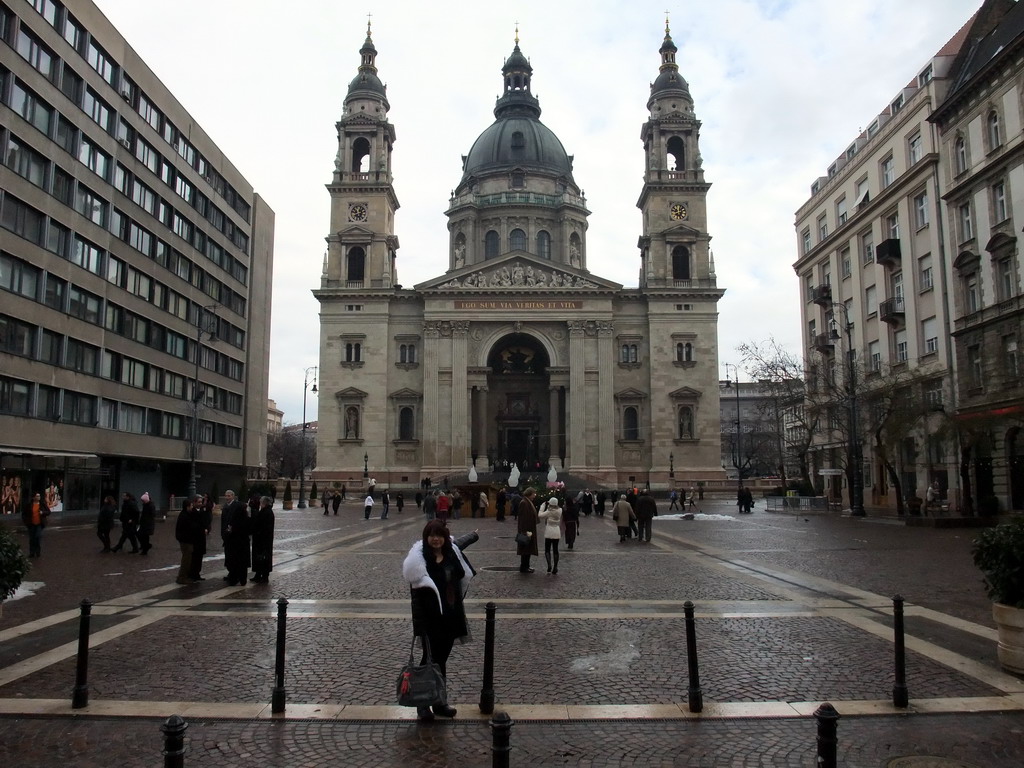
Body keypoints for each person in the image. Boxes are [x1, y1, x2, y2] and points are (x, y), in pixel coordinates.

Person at [402, 519, 479, 721]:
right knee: (428, 660)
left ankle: (439, 702)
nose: (435, 539)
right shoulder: (420, 563)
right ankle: (422, 704)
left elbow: (460, 557)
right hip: (431, 620)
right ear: (426, 538)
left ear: (444, 538)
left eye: (439, 535)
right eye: (432, 535)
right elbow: (417, 600)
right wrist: (420, 627)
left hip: (451, 617)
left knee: (441, 661)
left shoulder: (451, 554)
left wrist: (473, 535)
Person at [223, 493, 251, 586]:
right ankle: (243, 580)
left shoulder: (234, 519)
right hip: (244, 545)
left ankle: (233, 579)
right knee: (243, 565)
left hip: (234, 545)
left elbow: (229, 530)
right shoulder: (247, 519)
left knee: (234, 563)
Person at [175, 497, 204, 585]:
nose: (192, 507)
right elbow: (191, 527)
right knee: (186, 560)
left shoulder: (185, 514)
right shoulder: (185, 516)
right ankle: (182, 577)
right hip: (186, 541)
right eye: (191, 505)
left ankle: (183, 576)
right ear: (187, 506)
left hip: (186, 540)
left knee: (187, 559)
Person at [251, 495, 275, 584]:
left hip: (263, 540)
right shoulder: (266, 511)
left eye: (261, 502)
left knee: (263, 558)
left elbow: (261, 525)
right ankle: (258, 574)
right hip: (263, 539)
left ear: (264, 503)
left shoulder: (266, 512)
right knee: (260, 558)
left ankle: (263, 576)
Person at [537, 496, 563, 574]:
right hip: (556, 531)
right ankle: (555, 566)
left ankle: (549, 565)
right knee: (555, 550)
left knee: (547, 549)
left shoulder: (549, 512)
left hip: (549, 531)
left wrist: (542, 506)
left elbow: (540, 515)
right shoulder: (560, 510)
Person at [516, 487, 539, 573]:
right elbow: (523, 519)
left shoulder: (527, 502)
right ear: (529, 494)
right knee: (525, 549)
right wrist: (525, 531)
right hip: (526, 530)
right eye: (533, 494)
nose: (534, 495)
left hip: (529, 529)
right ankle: (524, 567)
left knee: (528, 549)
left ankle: (526, 566)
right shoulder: (524, 503)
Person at [189, 494, 212, 581]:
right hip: (195, 538)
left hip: (201, 538)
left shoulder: (202, 511)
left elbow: (206, 521)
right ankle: (192, 574)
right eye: (198, 502)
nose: (200, 503)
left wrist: (206, 528)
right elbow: (193, 525)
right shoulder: (192, 512)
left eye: (201, 502)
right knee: (194, 557)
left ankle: (197, 573)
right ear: (194, 502)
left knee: (199, 557)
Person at [22, 491, 50, 558]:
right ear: (33, 497)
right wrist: (26, 522)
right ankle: (32, 553)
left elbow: (48, 512)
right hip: (31, 524)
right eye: (37, 496)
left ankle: (37, 552)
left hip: (39, 524)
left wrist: (42, 512)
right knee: (32, 539)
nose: (39, 497)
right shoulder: (29, 505)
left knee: (37, 537)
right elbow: (24, 514)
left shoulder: (42, 504)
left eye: (39, 496)